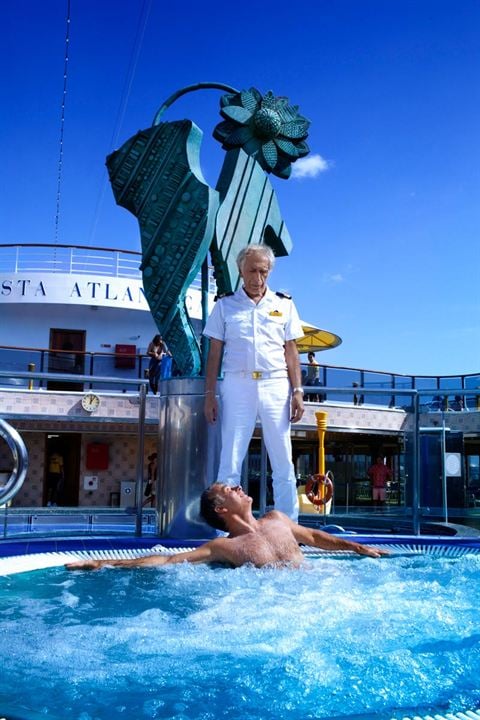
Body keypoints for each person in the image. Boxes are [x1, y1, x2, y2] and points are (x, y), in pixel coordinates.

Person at [66, 483, 388, 571]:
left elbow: (316, 537)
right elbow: (166, 561)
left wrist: (359, 548)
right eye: (229, 489)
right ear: (221, 509)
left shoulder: (276, 519)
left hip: (313, 590)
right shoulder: (222, 547)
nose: (238, 488)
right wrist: (104, 562)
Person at [203, 243, 305, 521]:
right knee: (230, 458)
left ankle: (289, 526)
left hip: (275, 384)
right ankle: (228, 526)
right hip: (237, 384)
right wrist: (209, 393)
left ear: (270, 271)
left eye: (263, 271)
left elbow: (291, 351)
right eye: (251, 271)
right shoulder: (224, 306)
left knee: (283, 458)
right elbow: (214, 353)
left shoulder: (284, 304)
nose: (257, 278)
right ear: (240, 270)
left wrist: (298, 390)